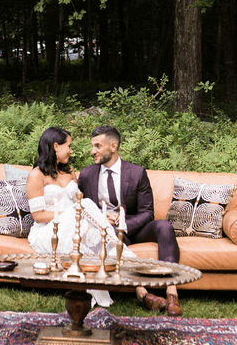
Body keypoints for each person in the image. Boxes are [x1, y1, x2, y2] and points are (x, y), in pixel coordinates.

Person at [78, 125, 183, 316]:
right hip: (108, 232)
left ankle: (171, 292)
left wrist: (122, 223)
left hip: (134, 226)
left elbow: (147, 212)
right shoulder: (86, 175)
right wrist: (104, 221)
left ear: (113, 146)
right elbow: (79, 209)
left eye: (97, 146)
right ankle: (143, 294)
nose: (92, 151)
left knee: (164, 226)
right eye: (92, 146)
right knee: (108, 240)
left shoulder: (136, 173)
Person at [25, 126, 128, 307]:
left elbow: (79, 202)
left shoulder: (69, 171)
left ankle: (127, 263)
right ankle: (117, 246)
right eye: (69, 146)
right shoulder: (36, 175)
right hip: (49, 231)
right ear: (56, 146)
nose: (71, 151)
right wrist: (71, 214)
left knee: (92, 230)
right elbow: (38, 215)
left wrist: (99, 215)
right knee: (85, 207)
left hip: (74, 227)